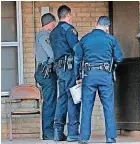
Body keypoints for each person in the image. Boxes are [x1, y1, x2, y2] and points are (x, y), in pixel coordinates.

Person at [74, 16, 124, 144]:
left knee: (86, 107)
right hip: (105, 75)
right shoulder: (110, 39)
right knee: (108, 106)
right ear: (107, 27)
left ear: (96, 24)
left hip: (89, 76)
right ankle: (110, 137)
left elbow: (77, 58)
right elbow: (119, 57)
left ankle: (84, 138)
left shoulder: (85, 39)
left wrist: (77, 76)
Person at [49, 5, 81, 142]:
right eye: (70, 16)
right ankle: (73, 133)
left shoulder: (53, 32)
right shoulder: (68, 30)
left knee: (61, 99)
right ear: (68, 15)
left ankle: (58, 132)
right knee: (73, 98)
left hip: (59, 70)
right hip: (69, 69)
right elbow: (77, 50)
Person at [34, 13, 57, 140]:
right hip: (46, 72)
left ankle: (48, 132)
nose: (54, 26)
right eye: (54, 23)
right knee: (50, 102)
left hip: (44, 72)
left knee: (50, 101)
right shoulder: (44, 35)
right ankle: (48, 133)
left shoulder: (41, 35)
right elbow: (52, 54)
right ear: (51, 23)